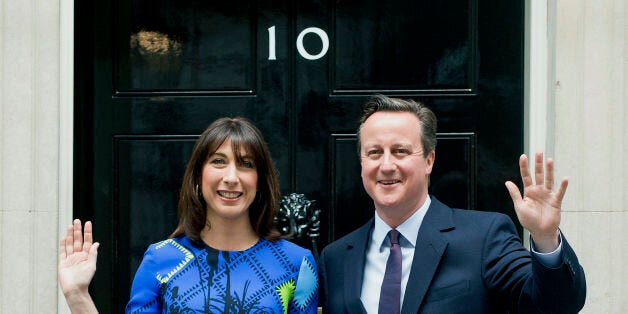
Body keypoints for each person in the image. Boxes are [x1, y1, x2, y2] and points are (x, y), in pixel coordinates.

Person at [318, 95, 586, 313]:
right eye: (374, 152)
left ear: (429, 160)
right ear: (362, 163)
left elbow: (556, 306)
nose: (387, 166)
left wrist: (545, 238)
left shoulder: (484, 237)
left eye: (400, 151)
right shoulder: (336, 258)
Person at [58, 117, 319, 313]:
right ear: (197, 177)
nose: (231, 177)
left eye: (246, 164)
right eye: (218, 161)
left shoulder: (297, 264)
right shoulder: (160, 259)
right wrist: (77, 295)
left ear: (260, 181)